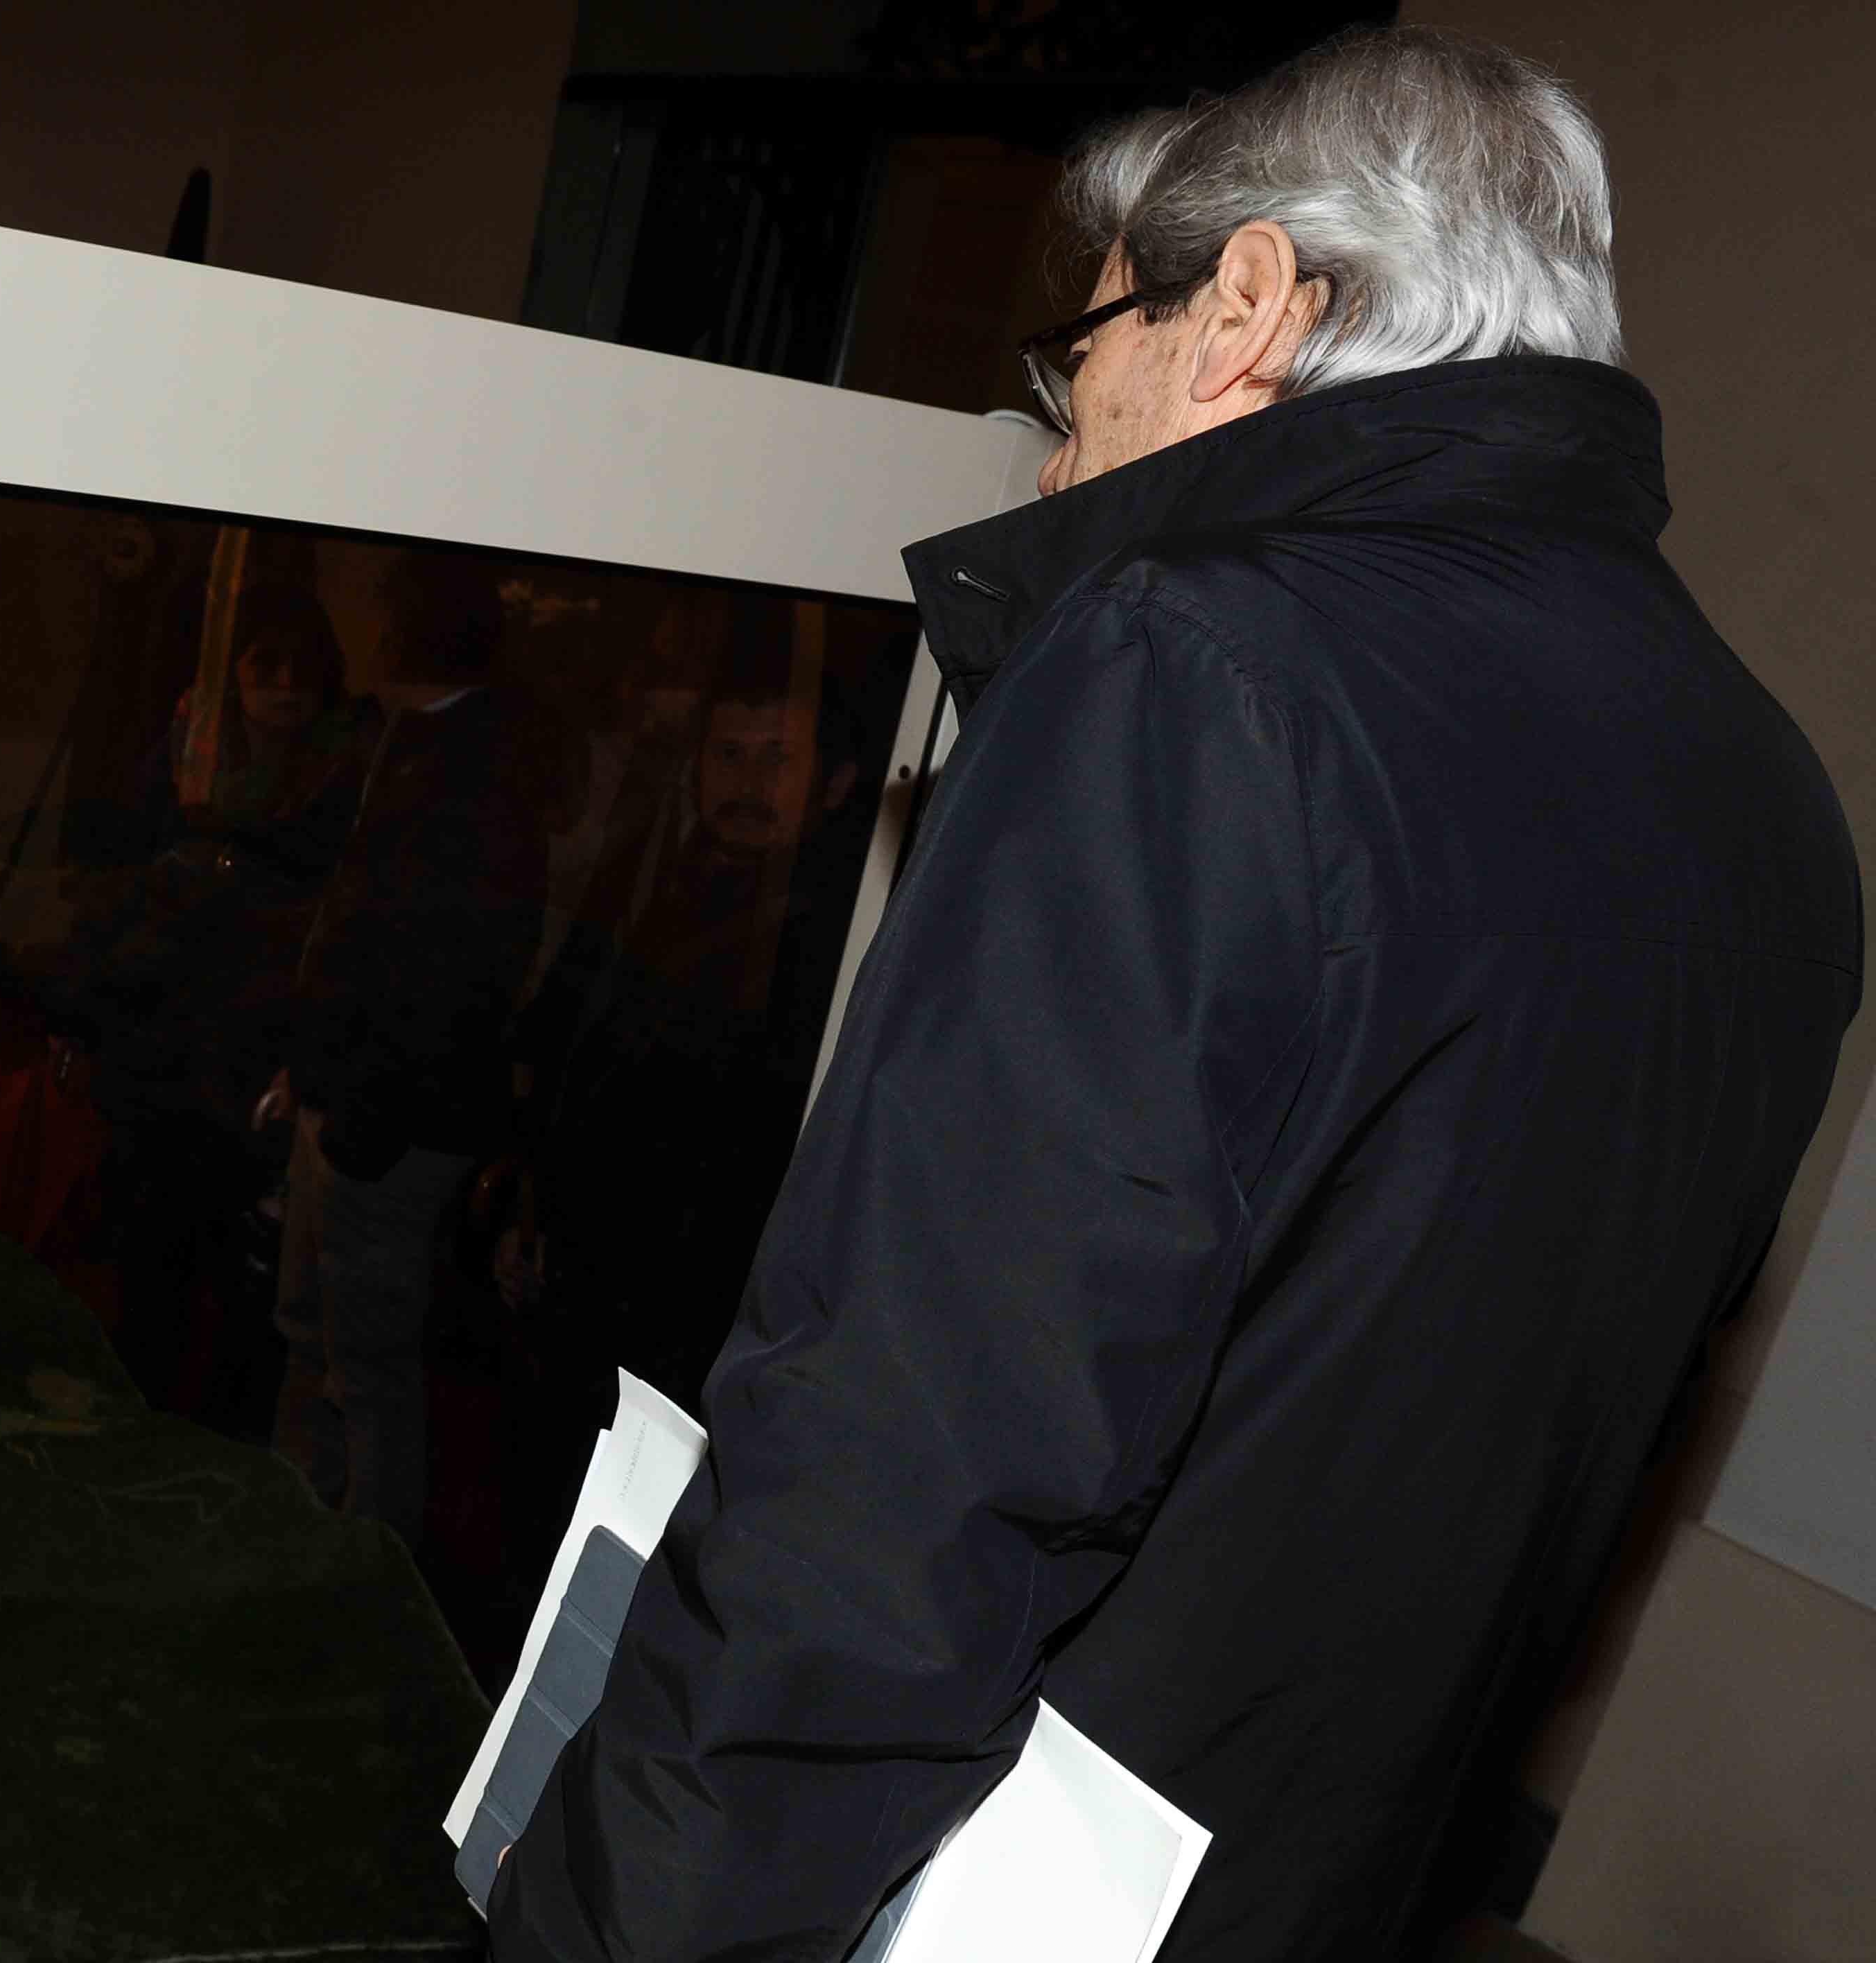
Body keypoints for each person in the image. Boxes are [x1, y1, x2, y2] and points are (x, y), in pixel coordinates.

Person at [485, 27, 1860, 1962]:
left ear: (1248, 304)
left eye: (1084, 355)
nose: (1059, 447)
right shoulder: (1773, 805)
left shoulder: (1193, 671)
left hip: (991, 1889)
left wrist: (607, 1927)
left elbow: (903, 1491)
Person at [492, 652, 865, 1646]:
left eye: (774, 758)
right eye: (728, 754)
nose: (746, 781)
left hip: (711, 1316)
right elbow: (569, 1048)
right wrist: (528, 1208)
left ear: (831, 781)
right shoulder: (655, 880)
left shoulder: (842, 935)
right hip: (589, 1284)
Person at [268, 552, 552, 1550]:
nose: (336, 620)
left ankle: (359, 1583)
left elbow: (448, 977)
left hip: (389, 1127)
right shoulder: (408, 741)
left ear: (403, 622)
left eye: (357, 598)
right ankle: (293, 1544)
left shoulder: (470, 769)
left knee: (367, 1370)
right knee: (316, 1342)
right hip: (355, 1108)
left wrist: (356, 1123)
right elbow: (354, 936)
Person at [65, 580, 383, 1434]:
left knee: (248, 1295)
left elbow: (330, 912)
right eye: (263, 665)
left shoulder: (345, 778)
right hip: (165, 1057)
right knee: (150, 1276)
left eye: (301, 669)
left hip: (258, 1064)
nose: (282, 685)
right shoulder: (187, 755)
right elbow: (122, 876)